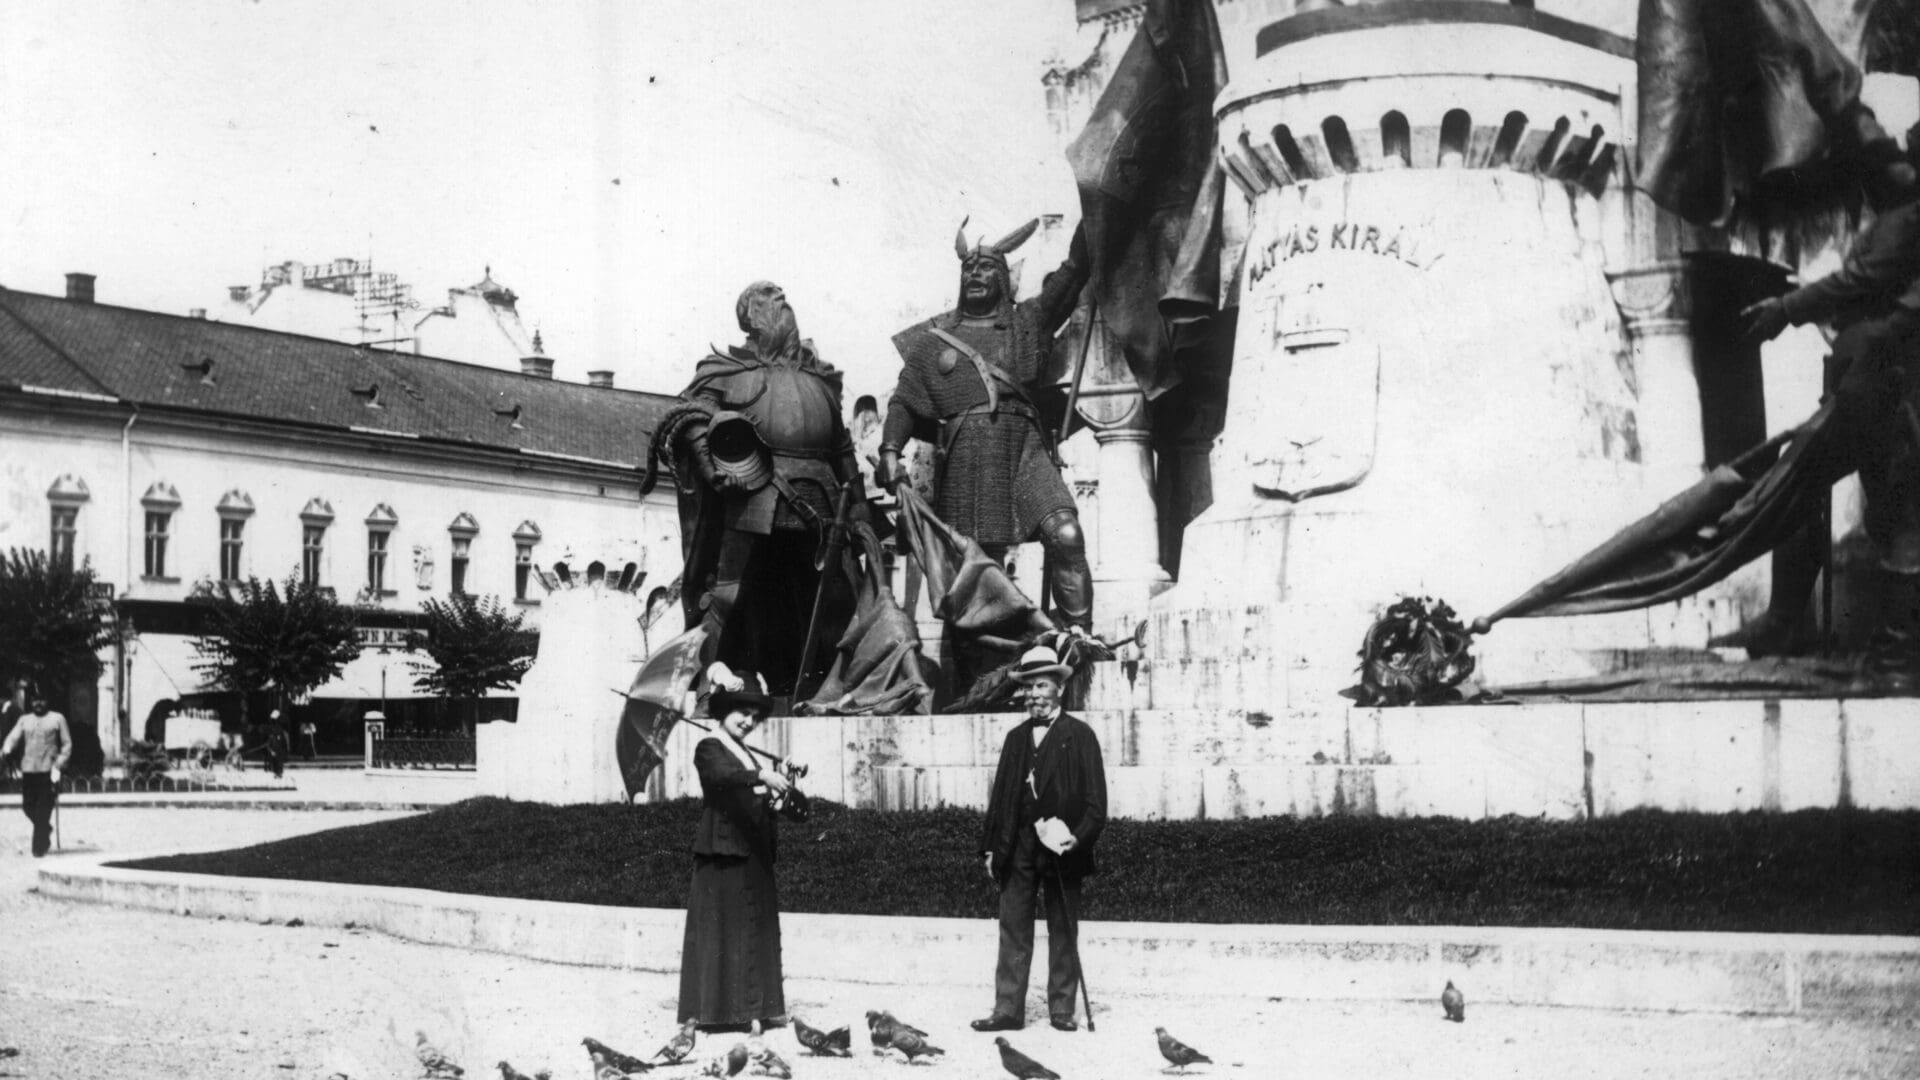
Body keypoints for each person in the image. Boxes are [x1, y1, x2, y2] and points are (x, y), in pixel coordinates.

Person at [1738, 124, 1920, 687]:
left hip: (1888, 380)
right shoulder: (1900, 214)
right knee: (1807, 484)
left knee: (1893, 510)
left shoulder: (1911, 218)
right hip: (1866, 375)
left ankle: (1892, 655)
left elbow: (1867, 278)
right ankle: (1791, 622)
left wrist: (1789, 307)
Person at [878, 220, 1094, 632]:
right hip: (967, 454)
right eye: (968, 269)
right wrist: (890, 451)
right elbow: (905, 400)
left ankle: (1079, 639)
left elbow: (1073, 270)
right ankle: (979, 669)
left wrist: (1095, 203)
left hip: (1024, 448)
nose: (975, 275)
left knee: (1066, 534)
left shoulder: (1028, 321)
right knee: (975, 572)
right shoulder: (934, 339)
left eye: (987, 268)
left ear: (1005, 277)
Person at [659, 281, 867, 697]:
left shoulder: (818, 378)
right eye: (772, 303)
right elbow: (693, 418)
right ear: (750, 318)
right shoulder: (723, 372)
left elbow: (842, 448)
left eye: (785, 302)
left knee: (838, 596)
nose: (783, 306)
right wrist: (712, 466)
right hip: (755, 490)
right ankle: (708, 687)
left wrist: (860, 505)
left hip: (824, 496)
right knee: (728, 594)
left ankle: (835, 685)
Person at [972, 645, 1107, 1034]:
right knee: (1013, 927)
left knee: (1063, 928)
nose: (1033, 694)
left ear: (1059, 689)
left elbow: (1097, 806)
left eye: (1041, 685)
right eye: (1028, 687)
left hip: (1062, 851)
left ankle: (1062, 1009)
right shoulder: (1016, 738)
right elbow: (1000, 798)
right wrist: (990, 847)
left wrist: (1074, 839)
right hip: (1018, 849)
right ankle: (1007, 1010)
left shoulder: (1080, 736)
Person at [678, 667, 805, 1031]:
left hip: (754, 852)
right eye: (741, 714)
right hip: (724, 853)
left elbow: (781, 806)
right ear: (724, 711)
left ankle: (756, 1008)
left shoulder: (748, 753)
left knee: (755, 930)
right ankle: (722, 1012)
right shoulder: (710, 748)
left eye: (754, 717)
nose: (748, 722)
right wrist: (762, 776)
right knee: (728, 932)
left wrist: (786, 782)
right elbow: (721, 778)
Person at [1, 693, 73, 857]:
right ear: (31, 702)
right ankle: (45, 829)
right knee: (27, 806)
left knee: (43, 808)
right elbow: (13, 737)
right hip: (29, 770)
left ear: (47, 701)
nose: (38, 703)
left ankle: (39, 847)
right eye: (35, 700)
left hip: (49, 769)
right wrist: (5, 749)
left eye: (42, 699)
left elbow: (67, 744)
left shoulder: (57, 719)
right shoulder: (24, 720)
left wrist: (59, 764)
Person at [262, 710, 290, 779]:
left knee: (279, 760)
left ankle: (279, 773)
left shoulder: (280, 723)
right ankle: (277, 772)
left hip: (278, 741)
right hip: (275, 741)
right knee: (275, 760)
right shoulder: (274, 724)